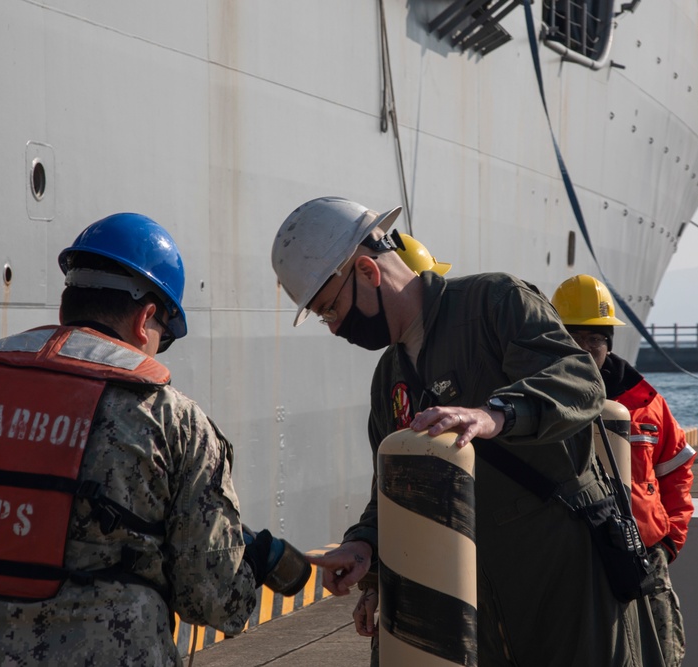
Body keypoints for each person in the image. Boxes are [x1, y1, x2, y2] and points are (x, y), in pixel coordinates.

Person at [0, 213, 276, 666]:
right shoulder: (176, 424)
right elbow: (216, 602)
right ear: (146, 317)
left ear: (65, 308)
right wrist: (252, 565)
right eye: (164, 336)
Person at [270, 196, 663, 666]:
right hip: (478, 603)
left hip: (565, 580)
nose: (334, 329)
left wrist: (495, 414)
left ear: (368, 272)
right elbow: (393, 492)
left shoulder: (494, 302)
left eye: (330, 310)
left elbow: (580, 381)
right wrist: (365, 548)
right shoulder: (389, 377)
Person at [552, 274, 695, 667]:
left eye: (595, 339)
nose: (586, 348)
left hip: (646, 553)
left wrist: (669, 540)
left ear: (607, 343)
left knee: (661, 654)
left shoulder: (648, 404)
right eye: (575, 338)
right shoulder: (541, 402)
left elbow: (677, 470)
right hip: (574, 559)